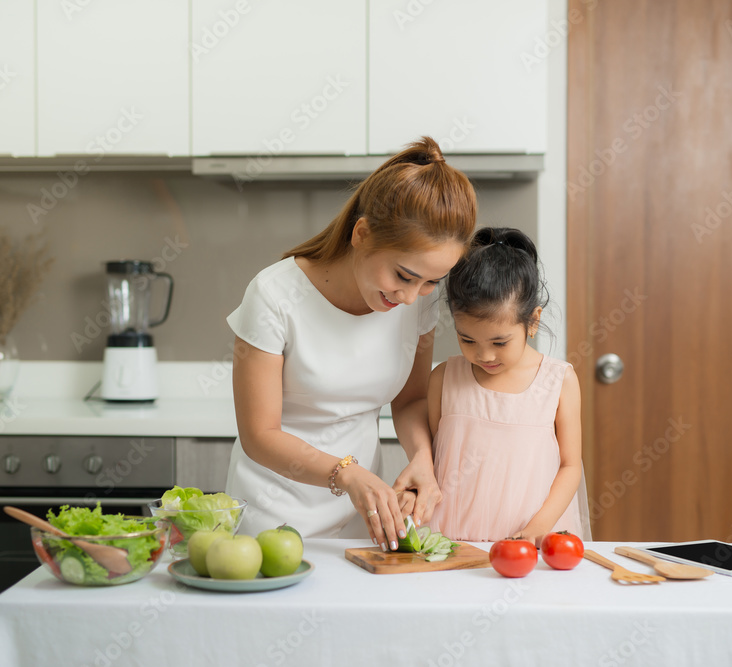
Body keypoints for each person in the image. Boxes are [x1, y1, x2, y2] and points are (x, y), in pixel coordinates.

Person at [225, 137, 479, 551]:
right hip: (271, 517)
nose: (411, 297)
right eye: (403, 275)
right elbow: (259, 434)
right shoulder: (274, 294)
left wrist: (422, 460)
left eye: (432, 281)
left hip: (364, 514)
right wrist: (346, 473)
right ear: (362, 234)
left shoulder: (416, 305)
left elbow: (411, 399)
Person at [428, 227, 591, 544]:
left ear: (532, 321)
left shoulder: (558, 381)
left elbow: (570, 466)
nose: (484, 354)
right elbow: (435, 461)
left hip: (531, 539)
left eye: (500, 342)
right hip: (451, 535)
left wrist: (538, 528)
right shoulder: (444, 378)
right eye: (467, 339)